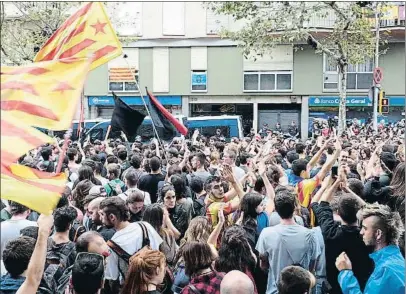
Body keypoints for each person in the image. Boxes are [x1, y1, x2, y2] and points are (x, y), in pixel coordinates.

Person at [310, 176, 374, 294]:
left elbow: (322, 203)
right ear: (359, 213)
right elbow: (372, 211)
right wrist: (347, 190)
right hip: (362, 286)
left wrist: (335, 184)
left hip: (335, 286)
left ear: (338, 213)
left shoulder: (330, 232)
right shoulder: (367, 236)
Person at [256, 189, 321, 294]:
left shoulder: (266, 233)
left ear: (276, 210)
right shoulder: (311, 235)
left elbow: (263, 264)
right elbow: (313, 265)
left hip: (275, 290)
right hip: (302, 290)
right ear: (295, 207)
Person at [336, 203, 405, 294]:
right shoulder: (395, 259)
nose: (361, 232)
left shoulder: (386, 271)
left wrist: (345, 273)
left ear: (378, 234)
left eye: (365, 228)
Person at [99, 197, 163, 284]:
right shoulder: (145, 226)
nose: (100, 218)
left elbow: (113, 275)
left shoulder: (112, 244)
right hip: (156, 280)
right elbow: (158, 249)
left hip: (133, 287)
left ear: (112, 217)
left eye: (102, 214)